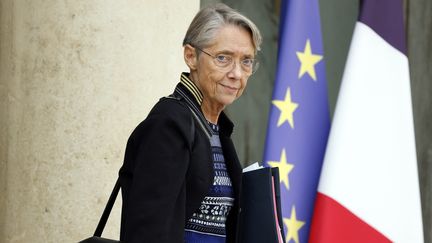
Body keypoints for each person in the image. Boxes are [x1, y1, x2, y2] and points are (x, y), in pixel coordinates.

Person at [119, 3, 262, 243]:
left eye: (246, 61)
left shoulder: (217, 129)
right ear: (190, 56)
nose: (237, 73)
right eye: (223, 58)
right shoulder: (169, 125)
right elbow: (149, 230)